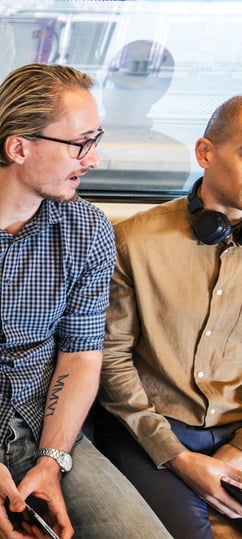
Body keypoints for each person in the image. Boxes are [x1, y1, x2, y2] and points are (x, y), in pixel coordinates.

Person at [0, 63, 170, 539]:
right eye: (81, 143)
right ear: (18, 147)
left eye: (95, 139)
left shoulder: (90, 232)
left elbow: (80, 354)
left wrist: (52, 461)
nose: (94, 158)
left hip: (48, 422)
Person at [97, 95, 242, 538]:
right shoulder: (132, 242)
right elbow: (111, 361)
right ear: (205, 153)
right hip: (150, 432)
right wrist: (176, 456)